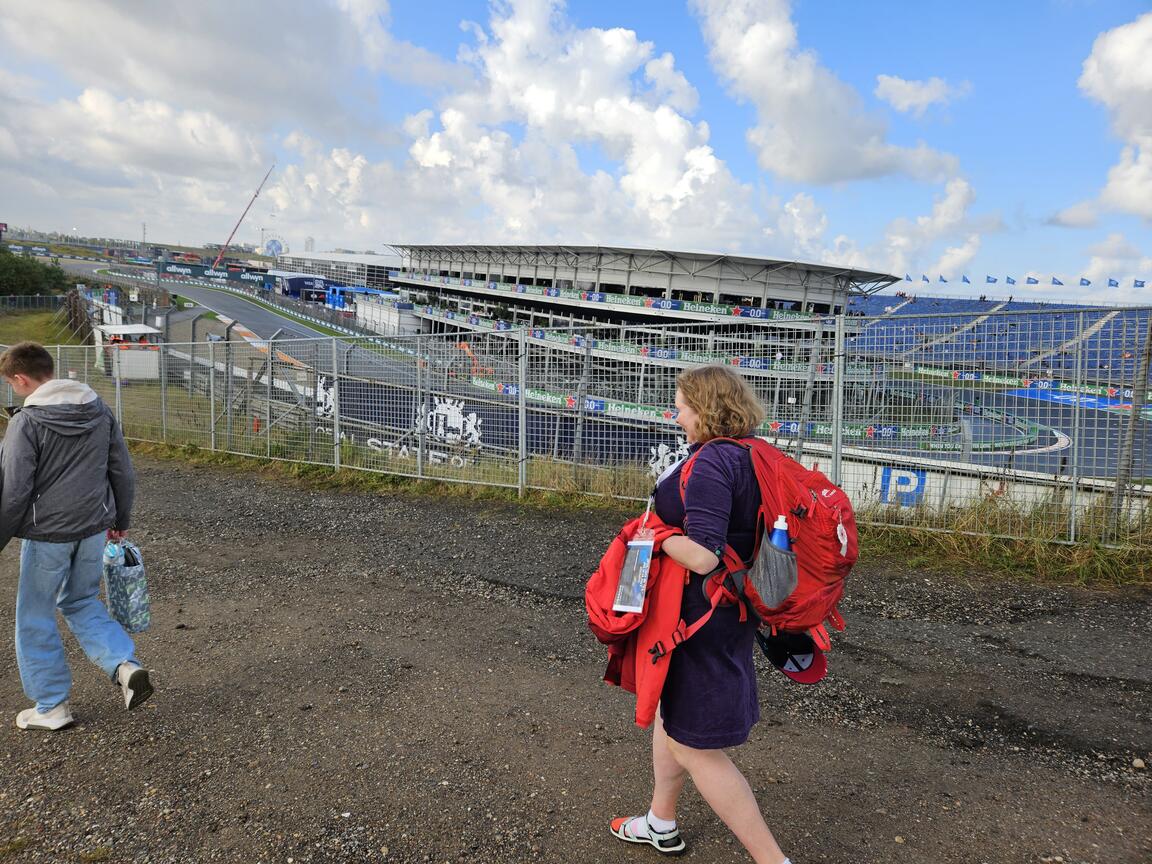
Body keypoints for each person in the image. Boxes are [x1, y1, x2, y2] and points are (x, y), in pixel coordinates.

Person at [610, 365, 791, 864]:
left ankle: (773, 861)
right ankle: (660, 822)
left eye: (683, 405)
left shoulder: (712, 463)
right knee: (673, 718)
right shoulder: (755, 455)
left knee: (694, 746)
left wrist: (654, 536)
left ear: (706, 410)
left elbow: (706, 555)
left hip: (698, 616)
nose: (678, 414)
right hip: (729, 608)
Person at [0, 341, 152, 731]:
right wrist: (120, 517)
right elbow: (122, 471)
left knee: (34, 615)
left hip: (48, 533)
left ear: (21, 378)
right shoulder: (98, 409)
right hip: (93, 528)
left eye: (12, 384)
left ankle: (51, 705)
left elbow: (14, 489)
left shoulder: (26, 422)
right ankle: (124, 665)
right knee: (81, 600)